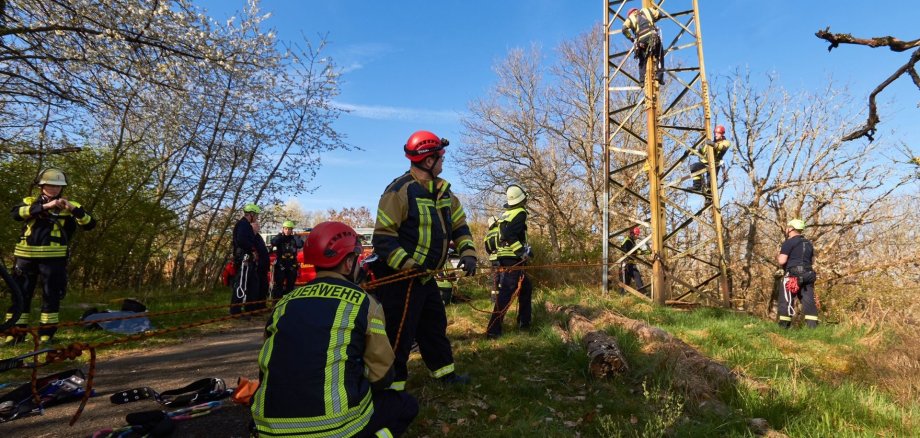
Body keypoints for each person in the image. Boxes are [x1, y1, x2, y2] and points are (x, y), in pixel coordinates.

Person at [251, 221, 418, 437]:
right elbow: (381, 374)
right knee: (405, 405)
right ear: (348, 263)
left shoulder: (283, 303)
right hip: (334, 428)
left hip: (269, 429)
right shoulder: (364, 303)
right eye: (355, 258)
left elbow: (268, 365)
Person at [371, 130, 478, 390]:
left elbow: (460, 227)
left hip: (425, 277)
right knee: (399, 333)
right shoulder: (399, 192)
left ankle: (446, 375)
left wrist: (468, 253)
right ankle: (392, 388)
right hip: (401, 279)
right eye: (440, 157)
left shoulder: (445, 193)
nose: (443, 161)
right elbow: (383, 239)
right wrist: (409, 266)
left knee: (433, 326)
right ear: (428, 161)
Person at [4, 168, 96, 345]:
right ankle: (15, 333)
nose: (54, 189)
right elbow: (16, 214)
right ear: (41, 186)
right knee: (20, 295)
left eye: (58, 186)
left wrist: (73, 209)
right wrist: (46, 206)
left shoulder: (71, 205)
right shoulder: (29, 202)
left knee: (51, 295)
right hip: (25, 256)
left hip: (54, 258)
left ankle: (46, 334)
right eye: (50, 185)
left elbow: (90, 224)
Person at [487, 186, 533, 339]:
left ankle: (524, 323)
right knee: (506, 293)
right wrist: (521, 252)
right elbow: (508, 235)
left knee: (526, 287)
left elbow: (507, 235)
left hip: (505, 258)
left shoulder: (506, 214)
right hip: (513, 259)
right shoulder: (520, 213)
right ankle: (493, 330)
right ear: (522, 199)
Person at [776, 219, 819, 328]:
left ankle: (783, 327)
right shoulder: (809, 243)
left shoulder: (789, 242)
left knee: (785, 300)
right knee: (808, 301)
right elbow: (813, 261)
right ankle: (812, 328)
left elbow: (782, 261)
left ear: (791, 229)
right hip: (808, 275)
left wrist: (779, 256)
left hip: (793, 276)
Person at [230, 204, 262, 315]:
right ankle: (235, 310)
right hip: (244, 258)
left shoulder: (246, 225)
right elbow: (241, 240)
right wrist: (252, 250)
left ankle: (250, 309)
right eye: (256, 215)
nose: (257, 217)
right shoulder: (243, 225)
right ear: (251, 214)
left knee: (253, 283)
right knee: (241, 284)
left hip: (248, 259)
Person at [622, 7, 664, 85]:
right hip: (652, 36)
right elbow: (660, 15)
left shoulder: (630, 18)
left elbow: (624, 29)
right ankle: (659, 76)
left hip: (641, 41)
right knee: (659, 54)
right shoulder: (647, 10)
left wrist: (630, 37)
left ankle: (641, 81)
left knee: (642, 60)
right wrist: (652, 20)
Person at [690, 125, 732, 193]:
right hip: (705, 163)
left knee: (710, 182)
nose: (716, 135)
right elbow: (700, 151)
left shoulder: (726, 142)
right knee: (694, 167)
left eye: (718, 133)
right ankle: (697, 186)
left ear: (722, 134)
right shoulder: (709, 144)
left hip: (714, 164)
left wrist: (713, 144)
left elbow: (722, 147)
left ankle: (709, 199)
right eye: (715, 133)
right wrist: (690, 152)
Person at [269, 220, 303, 299]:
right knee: (279, 285)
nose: (287, 231)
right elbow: (273, 242)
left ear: (292, 230)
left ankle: (288, 302)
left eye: (289, 229)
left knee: (290, 285)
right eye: (286, 229)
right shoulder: (280, 237)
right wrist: (280, 235)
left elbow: (300, 244)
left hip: (291, 265)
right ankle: (277, 302)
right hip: (281, 264)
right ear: (283, 229)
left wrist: (296, 237)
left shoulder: (294, 238)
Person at [620, 226, 649, 295]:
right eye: (636, 235)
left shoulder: (632, 241)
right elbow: (629, 251)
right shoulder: (627, 241)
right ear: (632, 234)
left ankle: (643, 292)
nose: (637, 236)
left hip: (631, 264)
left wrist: (645, 252)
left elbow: (637, 250)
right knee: (626, 283)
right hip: (626, 265)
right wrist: (641, 252)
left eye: (638, 235)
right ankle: (623, 296)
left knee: (636, 277)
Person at [483, 215, 501, 303]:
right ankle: (502, 299)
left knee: (495, 278)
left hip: (493, 259)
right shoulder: (500, 231)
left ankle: (494, 299)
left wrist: (492, 254)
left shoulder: (487, 235)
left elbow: (487, 249)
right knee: (503, 277)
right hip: (501, 257)